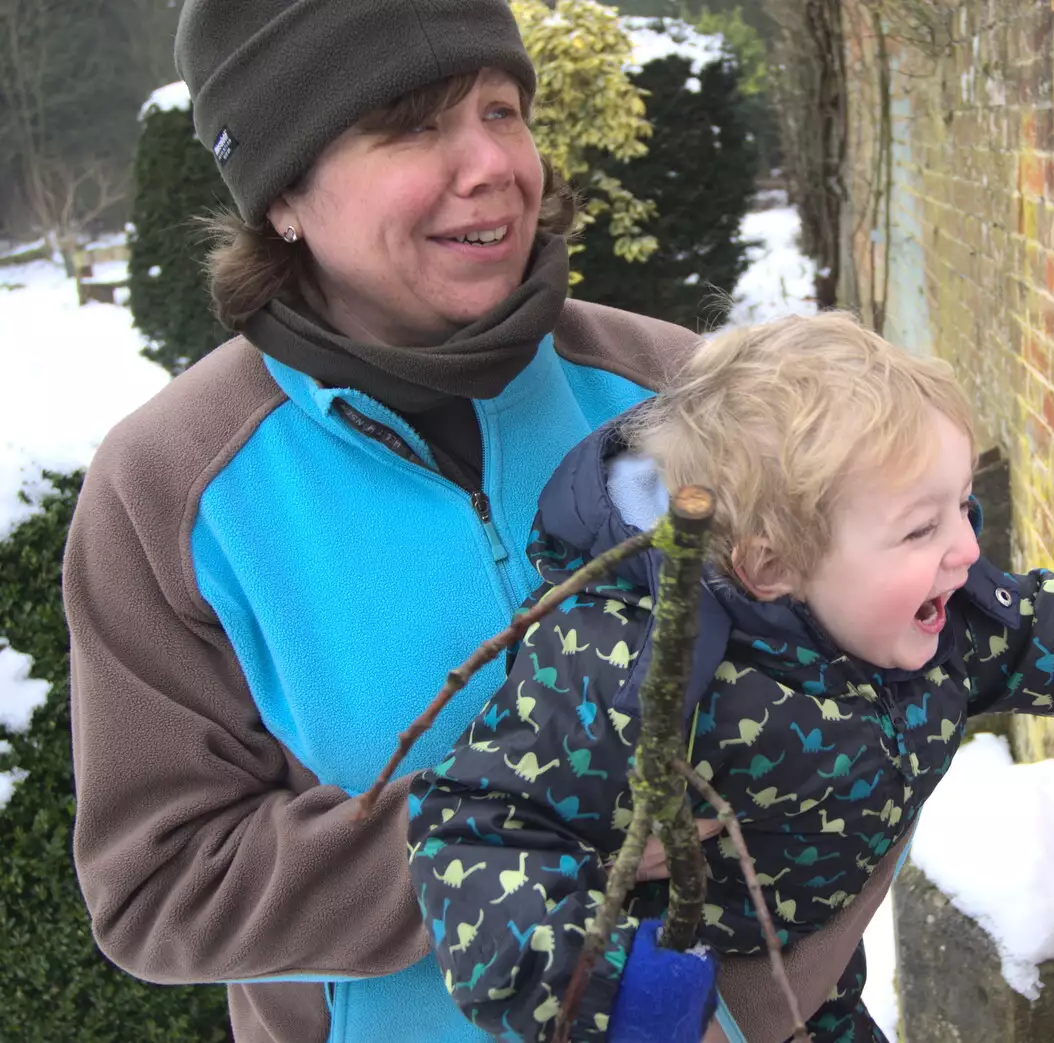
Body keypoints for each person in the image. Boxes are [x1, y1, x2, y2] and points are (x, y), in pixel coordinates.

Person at [408, 313, 1054, 1042]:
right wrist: (611, 996)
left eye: (959, 504)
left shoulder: (938, 621)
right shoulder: (628, 662)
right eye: (920, 523)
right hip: (694, 1005)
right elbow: (475, 825)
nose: (964, 547)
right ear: (770, 563)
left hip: (820, 998)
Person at [60, 1, 726, 1041]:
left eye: (502, 109)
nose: (492, 162)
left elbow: (884, 695)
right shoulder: (172, 488)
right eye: (411, 124)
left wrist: (787, 999)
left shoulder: (689, 395)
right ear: (282, 193)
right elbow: (160, 888)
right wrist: (517, 825)